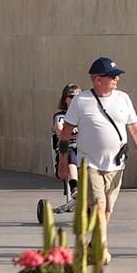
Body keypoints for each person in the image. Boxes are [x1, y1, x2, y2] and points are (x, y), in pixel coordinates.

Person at [58, 56, 137, 258]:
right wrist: (63, 161)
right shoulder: (81, 101)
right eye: (112, 76)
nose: (117, 80)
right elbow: (66, 132)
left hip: (116, 164)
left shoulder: (123, 98)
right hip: (88, 162)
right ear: (98, 79)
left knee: (107, 209)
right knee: (99, 205)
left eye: (117, 76)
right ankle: (103, 247)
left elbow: (136, 129)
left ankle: (93, 244)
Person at [50, 84, 80, 212]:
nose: (75, 99)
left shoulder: (85, 115)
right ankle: (74, 187)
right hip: (66, 150)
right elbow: (60, 131)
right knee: (71, 153)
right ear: (65, 100)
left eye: (78, 96)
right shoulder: (60, 116)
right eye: (71, 96)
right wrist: (73, 131)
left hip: (83, 149)